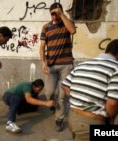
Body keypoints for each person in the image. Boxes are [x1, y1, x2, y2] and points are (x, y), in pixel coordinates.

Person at [62, 39, 118, 141]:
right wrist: (111, 121)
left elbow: (65, 86)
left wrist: (81, 99)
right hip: (92, 122)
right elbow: (113, 103)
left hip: (73, 118)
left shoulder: (83, 64)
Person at [39, 2, 76, 132]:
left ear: (60, 12)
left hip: (66, 64)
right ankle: (52, 105)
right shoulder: (46, 27)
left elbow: (72, 30)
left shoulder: (67, 22)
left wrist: (62, 14)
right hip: (51, 65)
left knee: (62, 95)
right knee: (48, 92)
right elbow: (42, 46)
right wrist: (43, 62)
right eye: (52, 14)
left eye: (56, 14)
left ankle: (59, 119)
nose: (54, 17)